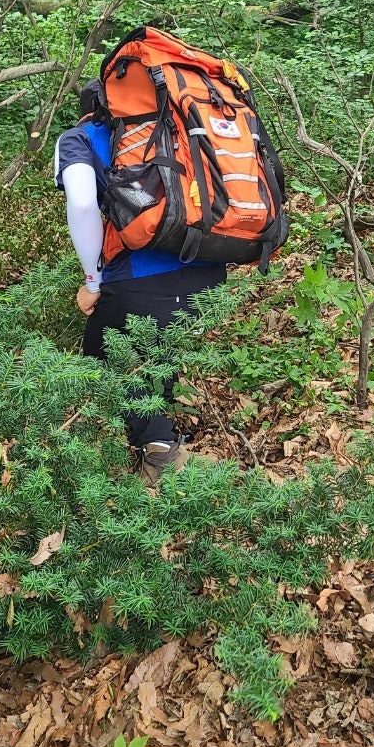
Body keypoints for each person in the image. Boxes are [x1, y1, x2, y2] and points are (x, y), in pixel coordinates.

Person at [54, 78, 227, 486]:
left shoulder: (79, 137)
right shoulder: (176, 128)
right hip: (211, 269)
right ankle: (159, 436)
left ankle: (157, 453)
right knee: (152, 346)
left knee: (104, 355)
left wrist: (92, 283)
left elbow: (82, 202)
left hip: (142, 282)